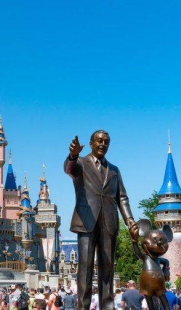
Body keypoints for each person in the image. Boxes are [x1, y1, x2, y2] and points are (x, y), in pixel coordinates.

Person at [64, 131, 138, 310]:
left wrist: (129, 220)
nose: (103, 144)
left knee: (108, 269)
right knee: (85, 268)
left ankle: (107, 306)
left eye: (106, 141)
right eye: (99, 141)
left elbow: (122, 197)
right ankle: (83, 307)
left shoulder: (114, 170)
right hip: (86, 221)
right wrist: (73, 156)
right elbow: (69, 169)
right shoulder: (81, 163)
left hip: (109, 222)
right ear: (91, 143)